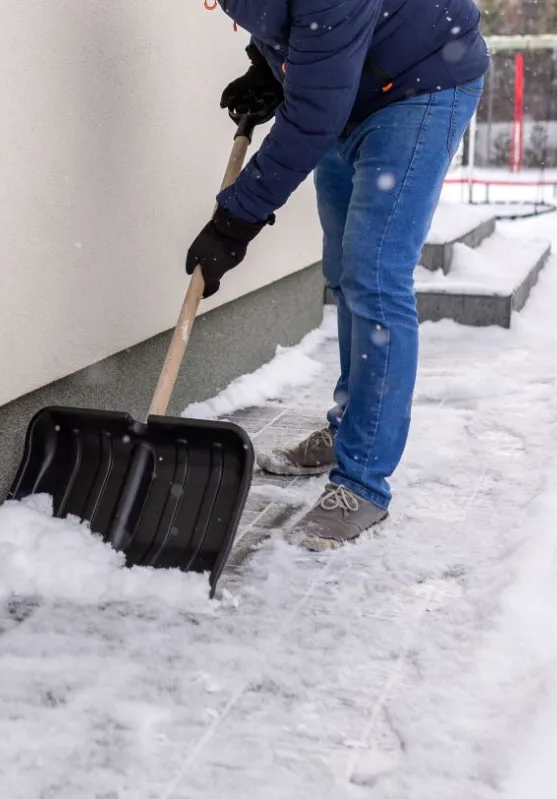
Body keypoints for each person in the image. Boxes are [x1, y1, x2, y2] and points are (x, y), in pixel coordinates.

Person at [186, 0, 490, 550]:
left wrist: (235, 221)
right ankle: (350, 425)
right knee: (344, 269)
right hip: (348, 85)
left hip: (419, 85)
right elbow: (282, 21)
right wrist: (267, 64)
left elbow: (312, 117)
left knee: (374, 274)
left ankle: (363, 483)